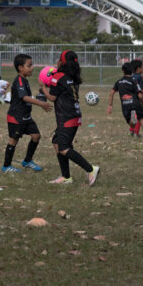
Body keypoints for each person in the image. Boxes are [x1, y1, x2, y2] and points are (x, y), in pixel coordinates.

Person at [44, 50, 100, 185]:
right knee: (57, 142)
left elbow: (52, 97)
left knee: (63, 148)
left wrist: (42, 88)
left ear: (62, 62)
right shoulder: (73, 77)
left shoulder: (58, 76)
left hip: (66, 116)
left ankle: (91, 169)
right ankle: (66, 177)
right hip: (74, 115)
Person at [1, 54, 51, 173]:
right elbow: (25, 98)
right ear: (20, 67)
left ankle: (27, 161)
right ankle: (6, 166)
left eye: (32, 65)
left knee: (36, 136)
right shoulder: (19, 81)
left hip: (26, 117)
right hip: (16, 117)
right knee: (13, 140)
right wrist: (41, 103)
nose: (32, 68)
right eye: (29, 65)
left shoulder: (25, 81)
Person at [107, 62, 143, 140]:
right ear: (132, 71)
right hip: (135, 104)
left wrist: (110, 105)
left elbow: (112, 92)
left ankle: (133, 121)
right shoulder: (134, 81)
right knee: (142, 120)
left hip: (125, 105)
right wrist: (142, 103)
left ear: (123, 71)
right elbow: (140, 95)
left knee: (132, 124)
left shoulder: (119, 81)